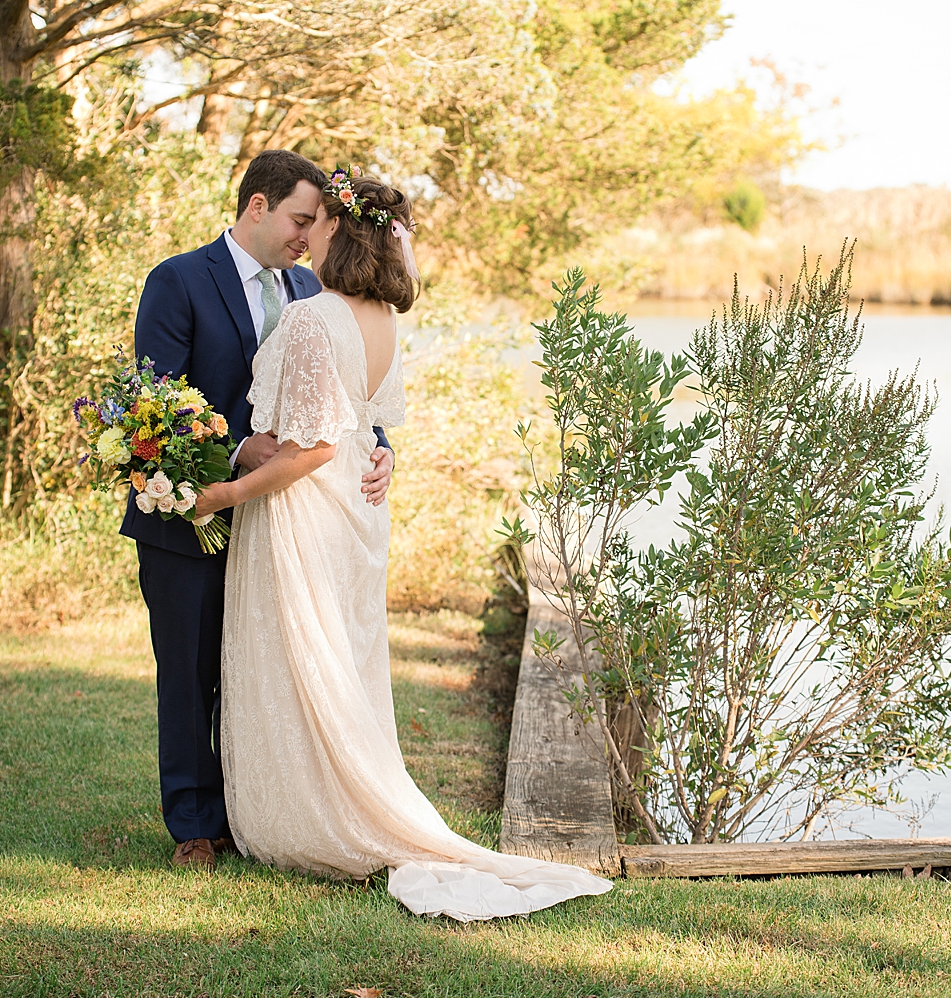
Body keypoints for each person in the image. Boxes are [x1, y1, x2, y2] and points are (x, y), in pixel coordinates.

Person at [193, 167, 613, 920]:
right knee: (336, 654)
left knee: (302, 651)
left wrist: (221, 495)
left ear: (338, 230)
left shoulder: (316, 317)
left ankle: (310, 811)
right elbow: (362, 426)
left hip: (307, 506)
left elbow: (315, 447)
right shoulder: (381, 315)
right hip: (357, 506)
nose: (308, 231)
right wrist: (368, 454)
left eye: (319, 221)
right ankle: (329, 787)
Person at [122, 150, 396, 869]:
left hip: (286, 522)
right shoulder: (179, 279)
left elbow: (341, 396)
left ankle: (256, 813)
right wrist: (239, 451)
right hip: (194, 514)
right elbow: (157, 402)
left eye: (316, 224)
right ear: (256, 207)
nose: (307, 237)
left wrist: (381, 448)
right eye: (300, 220)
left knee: (260, 670)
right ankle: (195, 828)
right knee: (188, 673)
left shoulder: (313, 289)